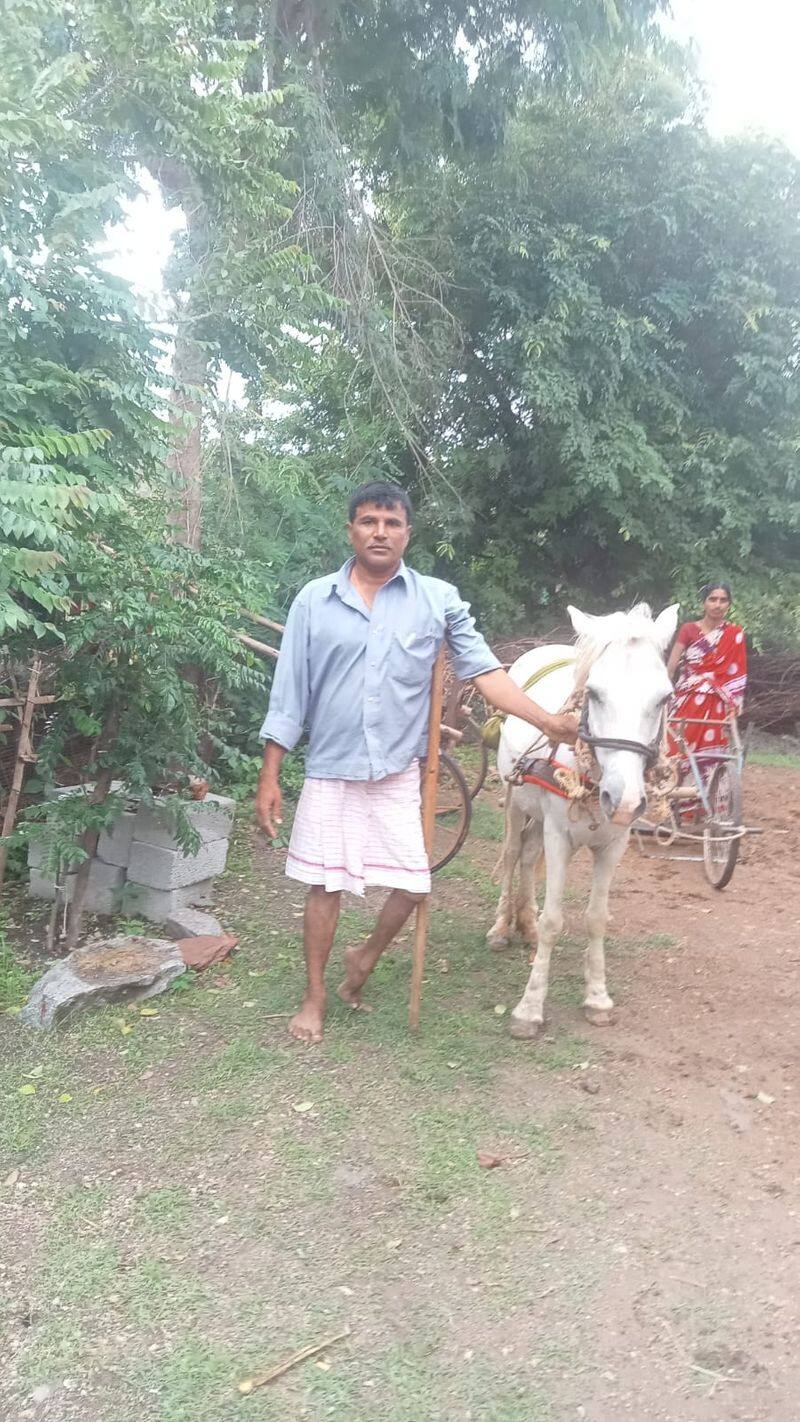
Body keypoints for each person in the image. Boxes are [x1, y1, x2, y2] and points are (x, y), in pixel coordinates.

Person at [255, 480, 578, 1043]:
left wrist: (547, 722)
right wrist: (270, 773)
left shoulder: (437, 599)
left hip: (398, 772)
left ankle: (364, 957)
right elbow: (290, 694)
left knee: (413, 883)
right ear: (350, 529)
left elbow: (486, 673)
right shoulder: (314, 600)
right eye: (369, 521)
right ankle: (315, 996)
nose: (380, 532)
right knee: (323, 887)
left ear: (408, 532)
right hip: (331, 770)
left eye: (392, 523)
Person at [666, 581, 747, 794]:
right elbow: (672, 667)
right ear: (704, 603)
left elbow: (736, 674)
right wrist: (665, 695)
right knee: (677, 746)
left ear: (729, 605)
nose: (717, 605)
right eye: (712, 599)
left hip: (718, 703)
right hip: (687, 698)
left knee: (709, 754)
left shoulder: (735, 634)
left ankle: (705, 800)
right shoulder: (688, 630)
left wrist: (733, 703)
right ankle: (671, 794)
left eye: (723, 600)